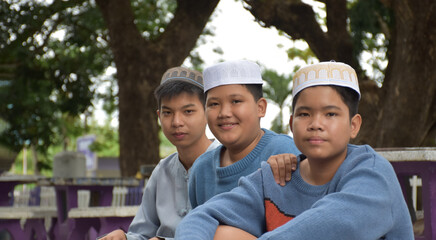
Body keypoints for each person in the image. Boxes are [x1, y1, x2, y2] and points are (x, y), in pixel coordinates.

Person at [175, 61, 414, 239]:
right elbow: (201, 216)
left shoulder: (372, 173)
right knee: (221, 233)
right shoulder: (274, 176)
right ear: (291, 124)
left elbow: (337, 225)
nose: (315, 123)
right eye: (304, 114)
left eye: (330, 114)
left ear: (354, 125)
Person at [99, 67, 220, 240]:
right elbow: (142, 233)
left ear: (208, 112)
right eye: (168, 113)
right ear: (159, 116)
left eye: (188, 111)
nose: (177, 122)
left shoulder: (228, 163)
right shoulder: (162, 170)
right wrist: (125, 238)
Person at [188, 60, 300, 208]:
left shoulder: (285, 152)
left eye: (235, 101)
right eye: (214, 104)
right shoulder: (201, 169)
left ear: (260, 108)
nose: (224, 113)